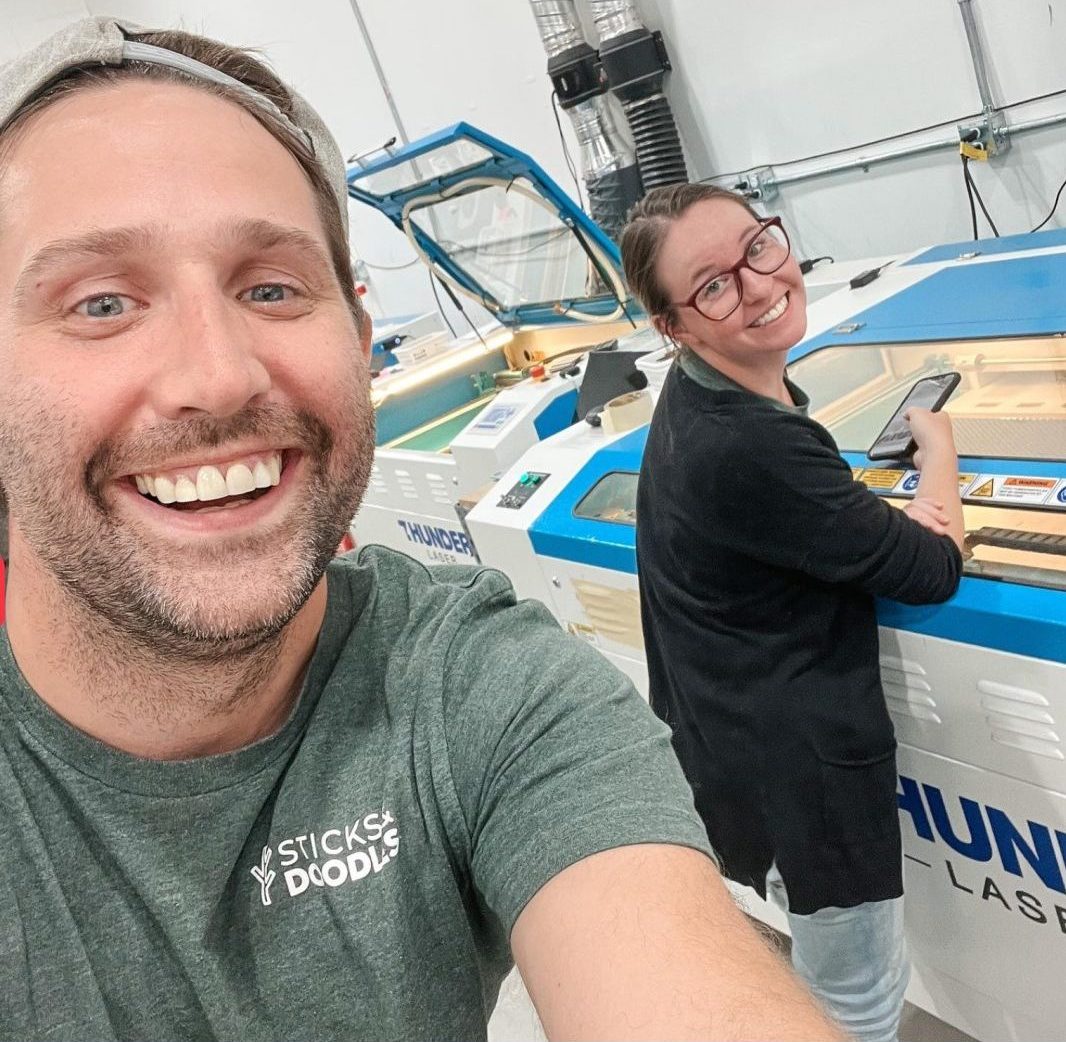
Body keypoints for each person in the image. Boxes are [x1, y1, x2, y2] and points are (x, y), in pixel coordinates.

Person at [0, 19, 842, 1042]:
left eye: (271, 287)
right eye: (99, 302)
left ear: (358, 339)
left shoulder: (482, 689)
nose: (215, 374)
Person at [620, 184, 965, 1042]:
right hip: (801, 783)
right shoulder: (743, 443)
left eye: (758, 246)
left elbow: (805, 515)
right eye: (713, 285)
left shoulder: (709, 394)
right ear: (674, 326)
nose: (759, 283)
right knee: (854, 999)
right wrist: (940, 454)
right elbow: (932, 568)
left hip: (740, 753)